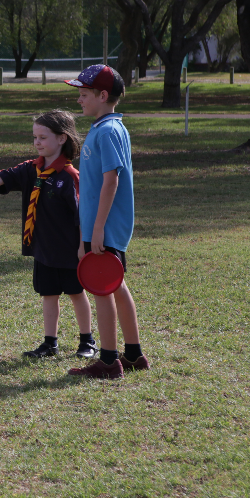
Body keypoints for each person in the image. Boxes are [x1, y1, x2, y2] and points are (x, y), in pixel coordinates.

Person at [0, 110, 98, 360]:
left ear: (62, 139)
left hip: (70, 249)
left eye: (43, 137)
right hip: (43, 249)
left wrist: (83, 246)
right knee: (48, 294)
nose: (37, 142)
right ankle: (50, 343)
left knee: (76, 293)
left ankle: (87, 341)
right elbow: (1, 177)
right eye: (34, 137)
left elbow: (83, 216)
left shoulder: (70, 177)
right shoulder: (31, 169)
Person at [65, 64, 149, 379]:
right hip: (100, 228)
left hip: (105, 228)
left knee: (102, 288)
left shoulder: (109, 130)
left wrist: (96, 229)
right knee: (116, 287)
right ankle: (133, 354)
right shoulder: (106, 127)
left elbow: (111, 181)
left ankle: (109, 361)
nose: (79, 100)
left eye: (84, 94)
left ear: (102, 95)